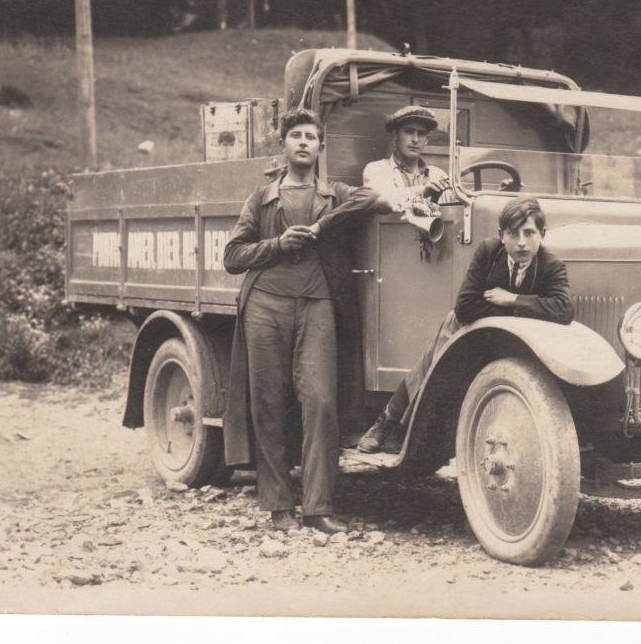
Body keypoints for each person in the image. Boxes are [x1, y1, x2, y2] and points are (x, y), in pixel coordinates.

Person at [222, 108, 387, 534]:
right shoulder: (261, 198)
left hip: (316, 305)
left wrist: (321, 226)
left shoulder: (335, 193)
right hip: (265, 305)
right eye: (295, 135)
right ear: (283, 144)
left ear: (320, 147)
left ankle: (317, 508)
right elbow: (232, 257)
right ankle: (279, 508)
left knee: (320, 402)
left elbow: (368, 197)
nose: (303, 142)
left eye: (311, 137)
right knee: (269, 404)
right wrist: (277, 244)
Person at [357, 196, 574, 454]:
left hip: (510, 340)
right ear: (501, 235)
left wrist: (512, 299)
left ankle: (400, 428)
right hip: (470, 327)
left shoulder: (551, 264)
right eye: (513, 234)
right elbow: (466, 306)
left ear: (542, 234)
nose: (522, 242)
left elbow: (565, 310)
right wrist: (525, 309)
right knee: (434, 359)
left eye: (529, 233)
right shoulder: (488, 252)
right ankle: (387, 422)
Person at [362, 106, 455, 206]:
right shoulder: (376, 169)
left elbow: (455, 206)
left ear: (427, 139)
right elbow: (384, 199)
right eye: (409, 131)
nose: (415, 139)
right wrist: (423, 191)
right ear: (395, 135)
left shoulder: (438, 174)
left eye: (421, 134)